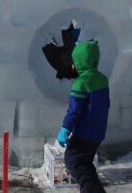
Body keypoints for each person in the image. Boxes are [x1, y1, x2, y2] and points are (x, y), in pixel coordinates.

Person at [56, 40, 110, 193]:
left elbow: (74, 110)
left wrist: (65, 129)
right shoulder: (102, 79)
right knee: (85, 163)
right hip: (98, 132)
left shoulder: (81, 83)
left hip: (85, 133)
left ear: (79, 62)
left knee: (74, 162)